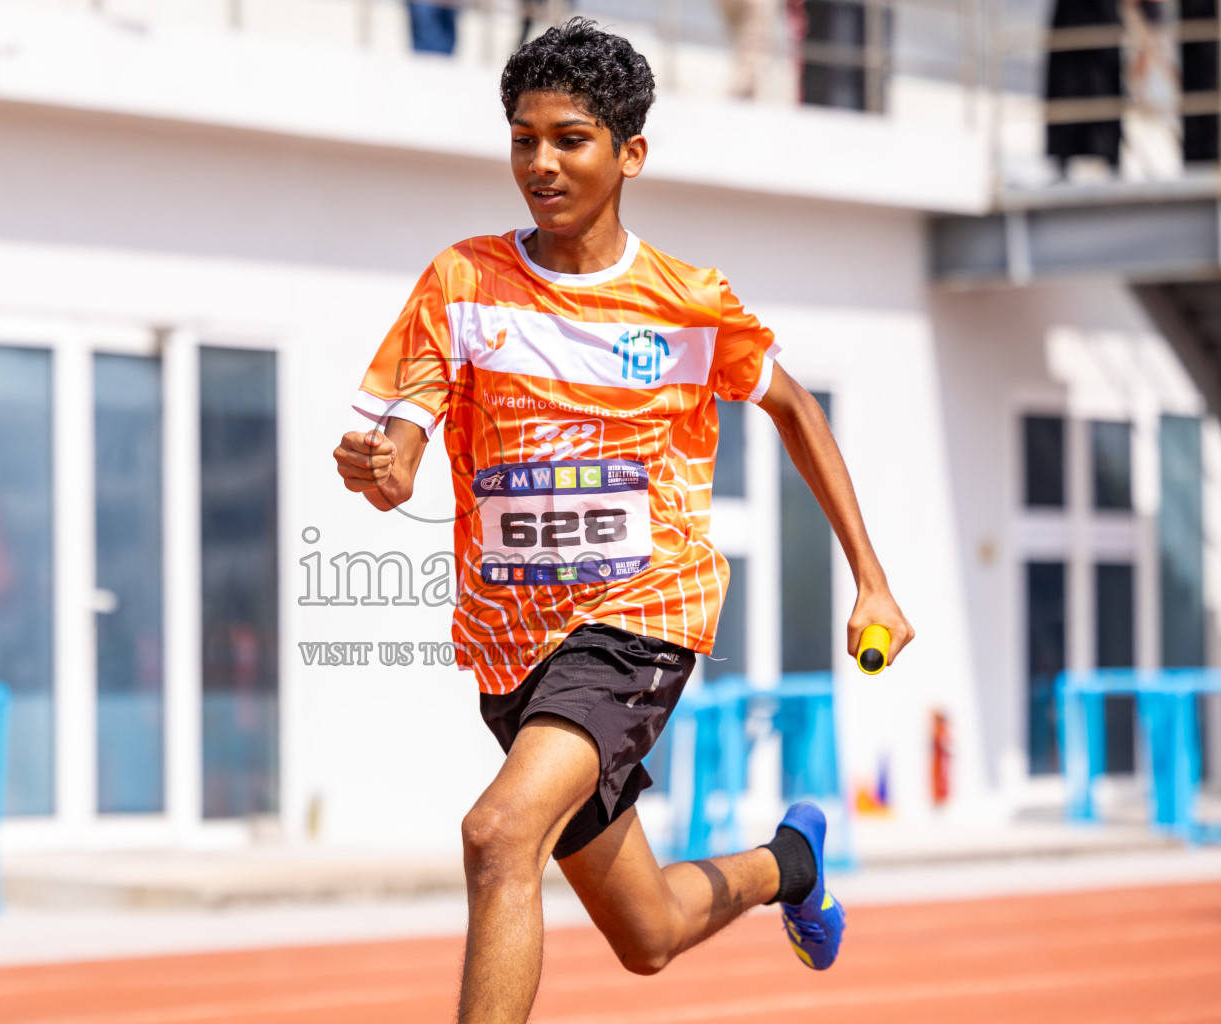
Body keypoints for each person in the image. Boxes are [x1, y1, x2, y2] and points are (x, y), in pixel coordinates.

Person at [333, 19, 913, 1023]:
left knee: (498, 832)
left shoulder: (687, 304)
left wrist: (870, 575)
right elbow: (401, 455)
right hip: (511, 644)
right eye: (523, 138)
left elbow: (794, 408)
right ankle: (790, 861)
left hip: (641, 614)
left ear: (629, 153)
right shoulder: (462, 283)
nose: (541, 163)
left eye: (570, 139)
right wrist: (381, 469)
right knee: (646, 935)